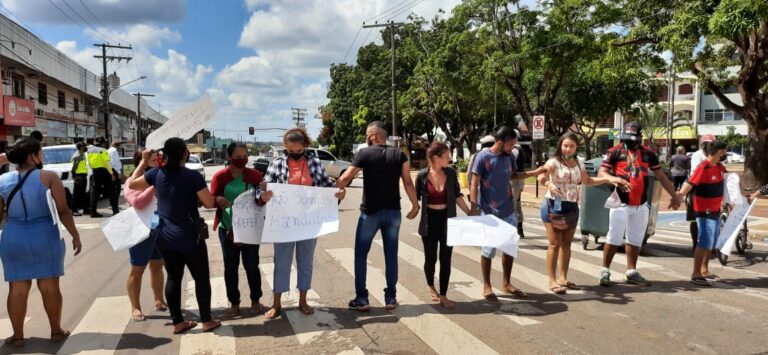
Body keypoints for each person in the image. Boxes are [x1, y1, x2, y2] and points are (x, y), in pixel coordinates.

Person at [128, 138, 221, 334]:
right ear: (185, 154)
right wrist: (218, 200)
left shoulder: (156, 173)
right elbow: (209, 203)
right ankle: (206, 321)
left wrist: (144, 162)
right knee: (201, 278)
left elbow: (132, 184)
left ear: (165, 155)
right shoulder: (193, 176)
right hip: (190, 237)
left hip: (164, 237)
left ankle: (178, 322)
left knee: (173, 278)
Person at [0, 138, 83, 348]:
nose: (42, 156)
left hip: (13, 235)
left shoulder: (2, 180)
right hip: (45, 234)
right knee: (49, 286)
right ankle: (56, 331)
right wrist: (75, 235)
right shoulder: (49, 177)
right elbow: (63, 210)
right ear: (32, 155)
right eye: (40, 152)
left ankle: (18, 337)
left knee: (17, 288)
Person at [260, 129, 346, 318]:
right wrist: (264, 194)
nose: (296, 154)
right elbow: (265, 186)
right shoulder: (277, 163)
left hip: (308, 223)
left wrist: (338, 192)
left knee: (305, 262)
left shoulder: (314, 162)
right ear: (286, 147)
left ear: (305, 147)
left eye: (299, 151)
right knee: (281, 263)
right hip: (284, 224)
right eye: (292, 150)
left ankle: (303, 300)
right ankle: (276, 303)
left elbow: (326, 186)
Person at [336, 121, 419, 311]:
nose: (366, 137)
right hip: (393, 212)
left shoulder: (364, 153)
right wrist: (415, 204)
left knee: (360, 254)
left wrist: (329, 192)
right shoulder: (400, 155)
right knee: (391, 255)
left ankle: (362, 299)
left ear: (373, 135)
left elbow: (347, 177)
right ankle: (390, 298)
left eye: (367, 134)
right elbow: (407, 182)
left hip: (369, 212)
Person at [537, 133, 630, 294]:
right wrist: (549, 184)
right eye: (565, 146)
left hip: (572, 206)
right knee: (554, 244)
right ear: (560, 146)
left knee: (566, 244)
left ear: (576, 147)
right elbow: (541, 176)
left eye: (571, 146)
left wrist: (609, 179)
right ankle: (552, 280)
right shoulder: (553, 162)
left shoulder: (580, 162)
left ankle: (562, 278)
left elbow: (588, 181)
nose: (567, 149)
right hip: (552, 205)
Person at [598, 122, 681, 287]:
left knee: (635, 239)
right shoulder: (614, 152)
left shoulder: (648, 154)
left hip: (641, 204)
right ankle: (605, 270)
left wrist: (674, 196)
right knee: (613, 237)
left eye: (633, 139)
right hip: (620, 203)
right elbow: (602, 172)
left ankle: (631, 272)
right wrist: (614, 179)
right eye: (627, 139)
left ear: (639, 138)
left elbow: (661, 176)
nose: (630, 143)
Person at [469, 126, 546, 302]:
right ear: (500, 142)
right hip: (489, 211)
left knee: (509, 248)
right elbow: (474, 182)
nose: (513, 147)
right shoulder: (483, 156)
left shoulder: (509, 156)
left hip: (508, 209)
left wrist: (535, 172)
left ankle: (506, 283)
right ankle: (487, 286)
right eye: (511, 144)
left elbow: (513, 175)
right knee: (488, 250)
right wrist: (474, 206)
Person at [210, 142, 265, 317]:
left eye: (244, 156)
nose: (242, 159)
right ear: (229, 157)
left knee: (252, 266)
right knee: (230, 268)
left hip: (250, 230)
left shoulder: (255, 175)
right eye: (237, 156)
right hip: (227, 230)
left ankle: (256, 299)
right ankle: (234, 301)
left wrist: (263, 194)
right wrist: (218, 199)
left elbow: (261, 200)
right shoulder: (220, 177)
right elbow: (209, 200)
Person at [415, 141, 471, 308]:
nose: (449, 159)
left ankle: (444, 295)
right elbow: (416, 196)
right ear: (435, 157)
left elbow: (457, 195)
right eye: (446, 156)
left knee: (446, 259)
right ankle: (431, 285)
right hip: (429, 221)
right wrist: (413, 209)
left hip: (448, 221)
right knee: (430, 258)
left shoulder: (451, 174)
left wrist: (469, 213)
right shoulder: (422, 176)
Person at [123, 148, 167, 321]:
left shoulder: (162, 176)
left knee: (157, 265)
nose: (155, 159)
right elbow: (138, 202)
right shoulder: (132, 181)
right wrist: (154, 184)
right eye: (150, 157)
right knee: (137, 268)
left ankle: (159, 300)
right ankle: (136, 307)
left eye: (157, 157)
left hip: (158, 225)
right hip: (140, 229)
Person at [677, 140, 728, 286]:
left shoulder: (719, 167)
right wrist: (678, 197)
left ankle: (705, 270)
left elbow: (729, 182)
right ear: (720, 152)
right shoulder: (703, 167)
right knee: (704, 241)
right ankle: (696, 273)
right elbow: (690, 183)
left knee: (710, 241)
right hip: (703, 210)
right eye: (725, 151)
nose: (725, 154)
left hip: (715, 209)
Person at [687, 134, 715, 249]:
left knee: (712, 217)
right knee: (694, 218)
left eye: (710, 144)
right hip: (696, 188)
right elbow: (695, 172)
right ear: (701, 145)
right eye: (705, 144)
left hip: (713, 189)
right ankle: (695, 243)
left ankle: (711, 244)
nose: (707, 146)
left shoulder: (717, 154)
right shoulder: (697, 155)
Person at [87, 137, 117, 217]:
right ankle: (115, 211)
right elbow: (107, 163)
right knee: (111, 192)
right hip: (104, 171)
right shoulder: (103, 150)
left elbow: (89, 162)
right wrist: (112, 174)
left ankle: (93, 212)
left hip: (95, 172)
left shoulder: (89, 151)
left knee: (95, 193)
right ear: (103, 143)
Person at [510, 135, 527, 238]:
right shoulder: (520, 149)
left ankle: (514, 229)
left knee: (512, 206)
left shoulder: (514, 151)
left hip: (514, 181)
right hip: (519, 181)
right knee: (517, 204)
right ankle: (519, 229)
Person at [70, 142, 89, 216]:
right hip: (78, 176)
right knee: (76, 194)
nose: (86, 147)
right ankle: (73, 210)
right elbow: (74, 167)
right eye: (84, 146)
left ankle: (85, 209)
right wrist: (74, 176)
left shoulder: (82, 154)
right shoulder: (77, 156)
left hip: (83, 175)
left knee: (83, 193)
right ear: (81, 147)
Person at [107, 142, 123, 213]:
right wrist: (119, 172)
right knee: (117, 189)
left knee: (112, 189)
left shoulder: (108, 150)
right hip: (115, 170)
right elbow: (115, 162)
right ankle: (115, 205)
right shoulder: (114, 151)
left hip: (109, 170)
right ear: (117, 146)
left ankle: (112, 203)